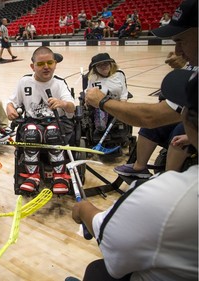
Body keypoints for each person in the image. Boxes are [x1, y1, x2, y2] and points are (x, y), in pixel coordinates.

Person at [68, 68, 198, 281]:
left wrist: (83, 209)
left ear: (186, 117)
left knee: (97, 271)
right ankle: (139, 165)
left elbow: (111, 241)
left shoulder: (166, 197)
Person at [84, 0, 198, 129]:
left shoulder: (119, 74)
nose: (176, 51)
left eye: (181, 41)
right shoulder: (92, 77)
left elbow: (149, 117)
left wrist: (104, 102)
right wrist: (188, 61)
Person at [6, 46, 77, 194]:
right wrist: (10, 109)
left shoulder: (59, 83)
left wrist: (62, 103)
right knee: (31, 133)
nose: (46, 67)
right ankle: (32, 176)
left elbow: (72, 107)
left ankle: (60, 176)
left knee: (52, 133)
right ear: (32, 66)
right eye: (40, 64)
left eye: (50, 63)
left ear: (55, 64)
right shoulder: (24, 82)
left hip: (56, 122)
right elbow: (11, 102)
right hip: (33, 122)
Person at [85, 53, 128, 132]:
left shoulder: (119, 74)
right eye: (99, 65)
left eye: (106, 64)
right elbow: (88, 93)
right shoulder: (92, 78)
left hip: (117, 104)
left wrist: (122, 106)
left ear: (110, 64)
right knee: (100, 124)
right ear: (95, 68)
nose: (103, 67)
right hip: (100, 106)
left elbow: (124, 93)